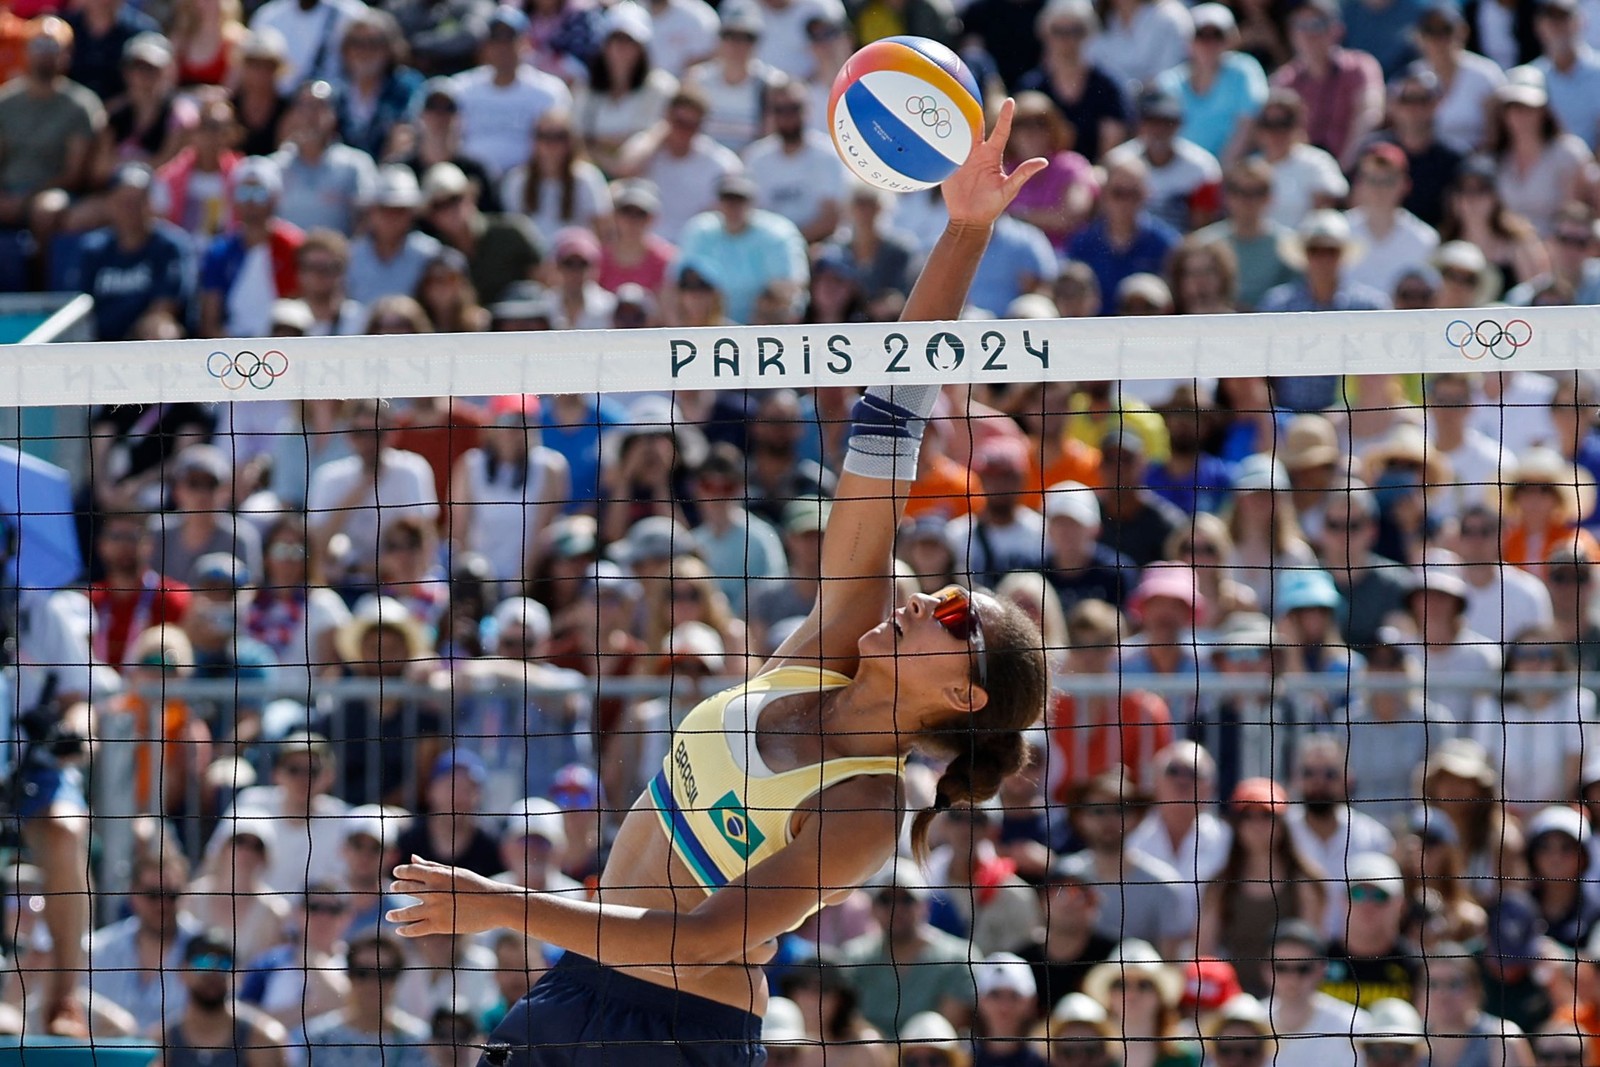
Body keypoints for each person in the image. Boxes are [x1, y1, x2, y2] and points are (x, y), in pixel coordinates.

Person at [390, 103, 1051, 1065]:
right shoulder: (827, 650)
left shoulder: (868, 805)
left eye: (954, 613)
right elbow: (886, 417)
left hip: (678, 1031)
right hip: (573, 986)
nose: (922, 598)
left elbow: (699, 938)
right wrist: (964, 228)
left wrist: (501, 902)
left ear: (963, 694)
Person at [1198, 779, 1326, 998]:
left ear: (1282, 823)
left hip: (1290, 999)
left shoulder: (1305, 883)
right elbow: (1203, 952)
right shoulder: (1220, 886)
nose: (1258, 824)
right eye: (1248, 816)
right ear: (1236, 824)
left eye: (1267, 816)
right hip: (1233, 1001)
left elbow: (1312, 951)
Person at [450, 6, 573, 180]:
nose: (503, 47)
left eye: (509, 38)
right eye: (496, 39)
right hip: (470, 182)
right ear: (486, 46)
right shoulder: (460, 88)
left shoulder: (549, 90)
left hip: (529, 185)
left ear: (525, 43)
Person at [76, 162, 193, 343]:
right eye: (123, 202)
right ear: (110, 203)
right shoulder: (93, 248)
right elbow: (80, 306)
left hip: (145, 343)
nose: (130, 209)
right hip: (99, 344)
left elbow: (165, 308)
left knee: (161, 330)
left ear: (151, 203)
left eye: (138, 201)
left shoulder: (171, 246)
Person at [1267, 0, 1384, 169]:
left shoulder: (1360, 66)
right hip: (1304, 174)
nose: (1309, 33)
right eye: (1301, 25)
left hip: (1353, 167)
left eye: (1317, 24)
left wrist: (1343, 167)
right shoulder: (1284, 81)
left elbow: (1370, 115)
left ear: (1337, 30)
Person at [299, 933, 433, 1066]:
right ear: (349, 975)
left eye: (384, 974)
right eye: (362, 973)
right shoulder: (319, 1038)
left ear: (397, 978)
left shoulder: (420, 1041)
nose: (372, 983)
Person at [161, 929, 290, 1067]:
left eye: (224, 963)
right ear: (182, 971)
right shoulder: (162, 1040)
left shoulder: (263, 1039)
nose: (213, 971)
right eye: (203, 962)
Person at [1012, 853, 1118, 1013]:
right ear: (1042, 901)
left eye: (1080, 894)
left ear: (1095, 903)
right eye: (1060, 891)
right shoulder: (1022, 962)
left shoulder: (1114, 957)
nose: (1069, 901)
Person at [1321, 853, 1423, 1009]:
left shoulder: (1417, 967)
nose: (1367, 905)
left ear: (1400, 905)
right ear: (1343, 901)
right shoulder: (1315, 962)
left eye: (1380, 896)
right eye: (1357, 894)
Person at [1262, 920, 1370, 1067]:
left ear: (1321, 970)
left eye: (1303, 969)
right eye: (1281, 967)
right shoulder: (1248, 1023)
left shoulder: (1353, 1025)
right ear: (1266, 969)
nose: (1292, 978)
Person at [972, 953, 1047, 1067]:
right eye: (995, 995)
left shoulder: (1047, 1060)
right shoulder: (959, 1060)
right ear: (979, 1000)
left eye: (1015, 996)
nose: (1004, 1007)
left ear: (1032, 1002)